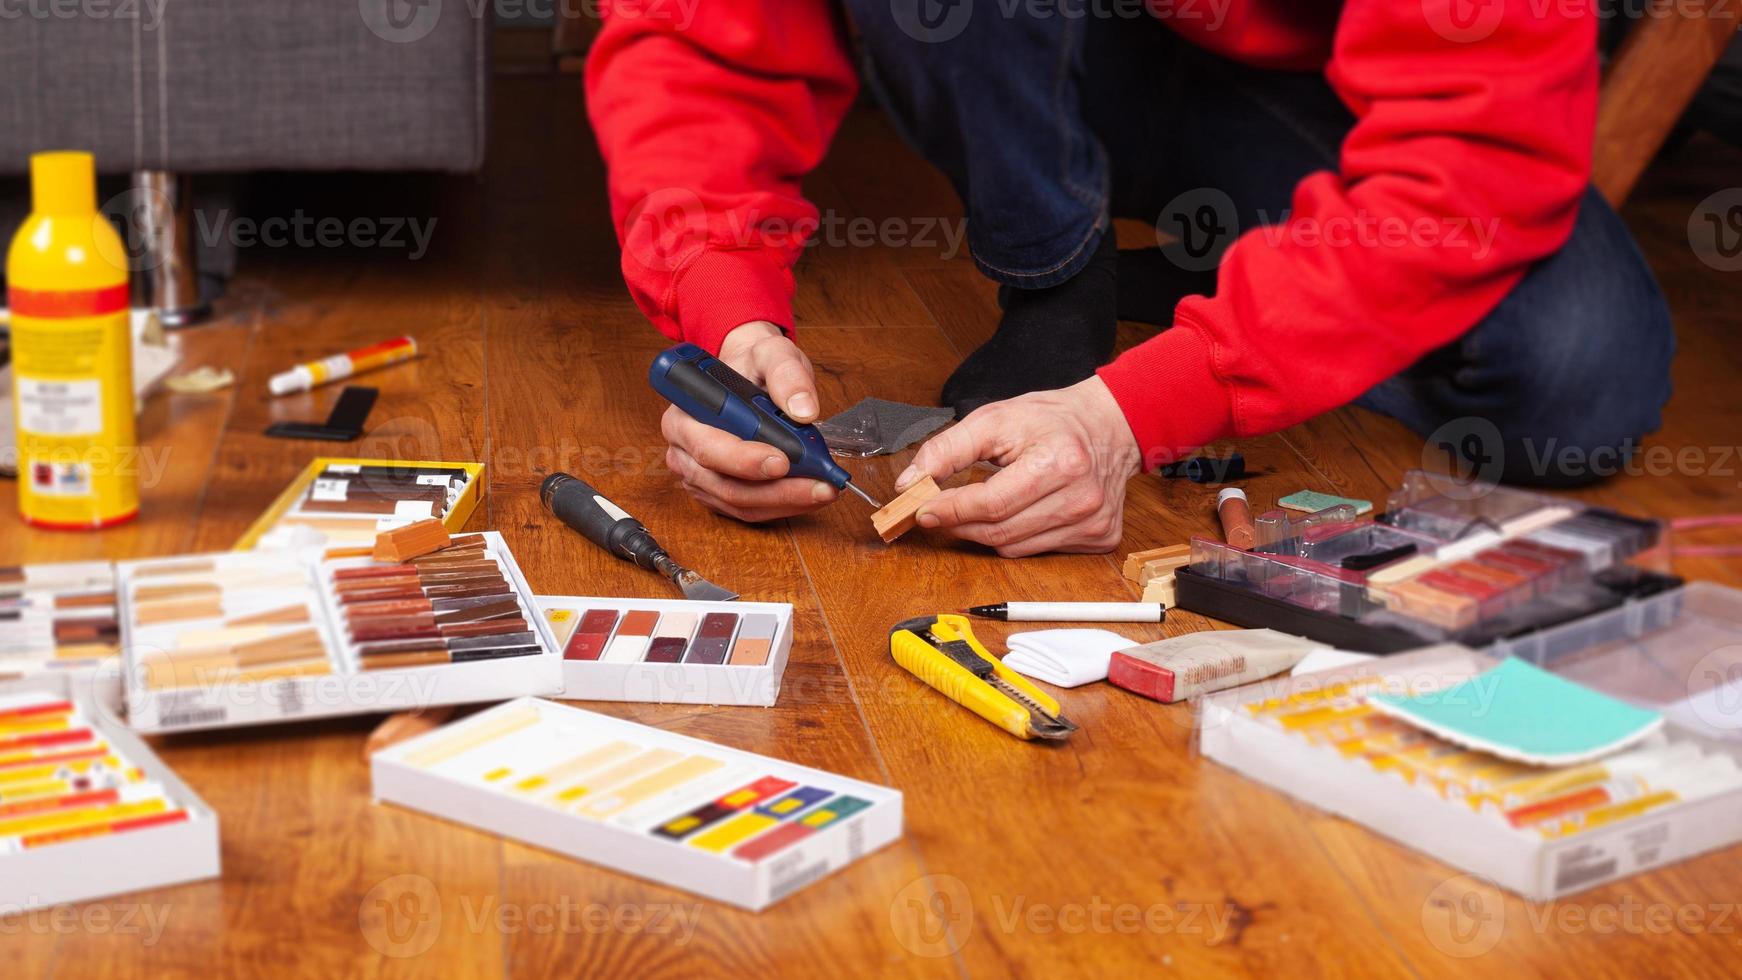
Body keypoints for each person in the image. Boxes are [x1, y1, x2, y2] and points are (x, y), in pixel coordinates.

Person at [585, 2, 1675, 557]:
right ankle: (1058, 276)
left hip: (1298, 81)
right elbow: (696, 37)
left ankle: (1232, 276)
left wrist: (1136, 409)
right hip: (1022, 59)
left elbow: (1475, 155)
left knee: (1573, 378)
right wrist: (723, 309)